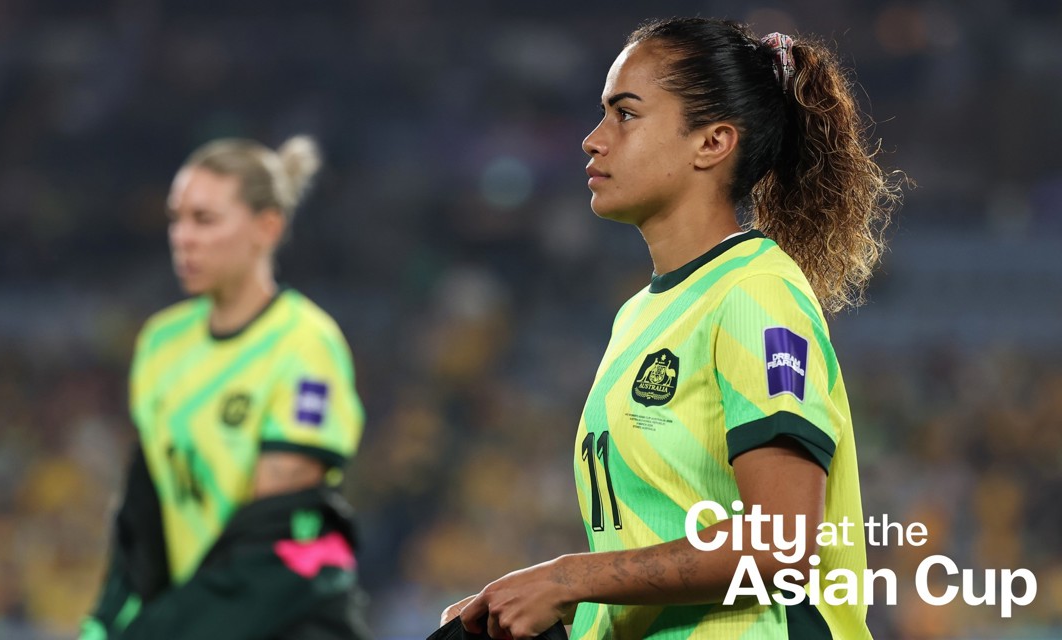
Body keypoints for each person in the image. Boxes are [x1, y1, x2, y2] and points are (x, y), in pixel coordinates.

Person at [442, 17, 903, 640]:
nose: (592, 139)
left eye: (625, 115)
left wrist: (567, 579)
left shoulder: (755, 291)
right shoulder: (637, 316)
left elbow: (782, 540)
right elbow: (654, 558)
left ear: (711, 143)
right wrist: (527, 609)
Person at [81, 136, 371, 640]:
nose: (182, 237)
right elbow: (143, 512)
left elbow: (271, 542)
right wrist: (103, 623)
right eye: (176, 218)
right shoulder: (161, 343)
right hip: (200, 618)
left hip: (291, 620)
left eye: (204, 219)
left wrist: (154, 631)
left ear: (267, 227)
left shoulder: (304, 345)